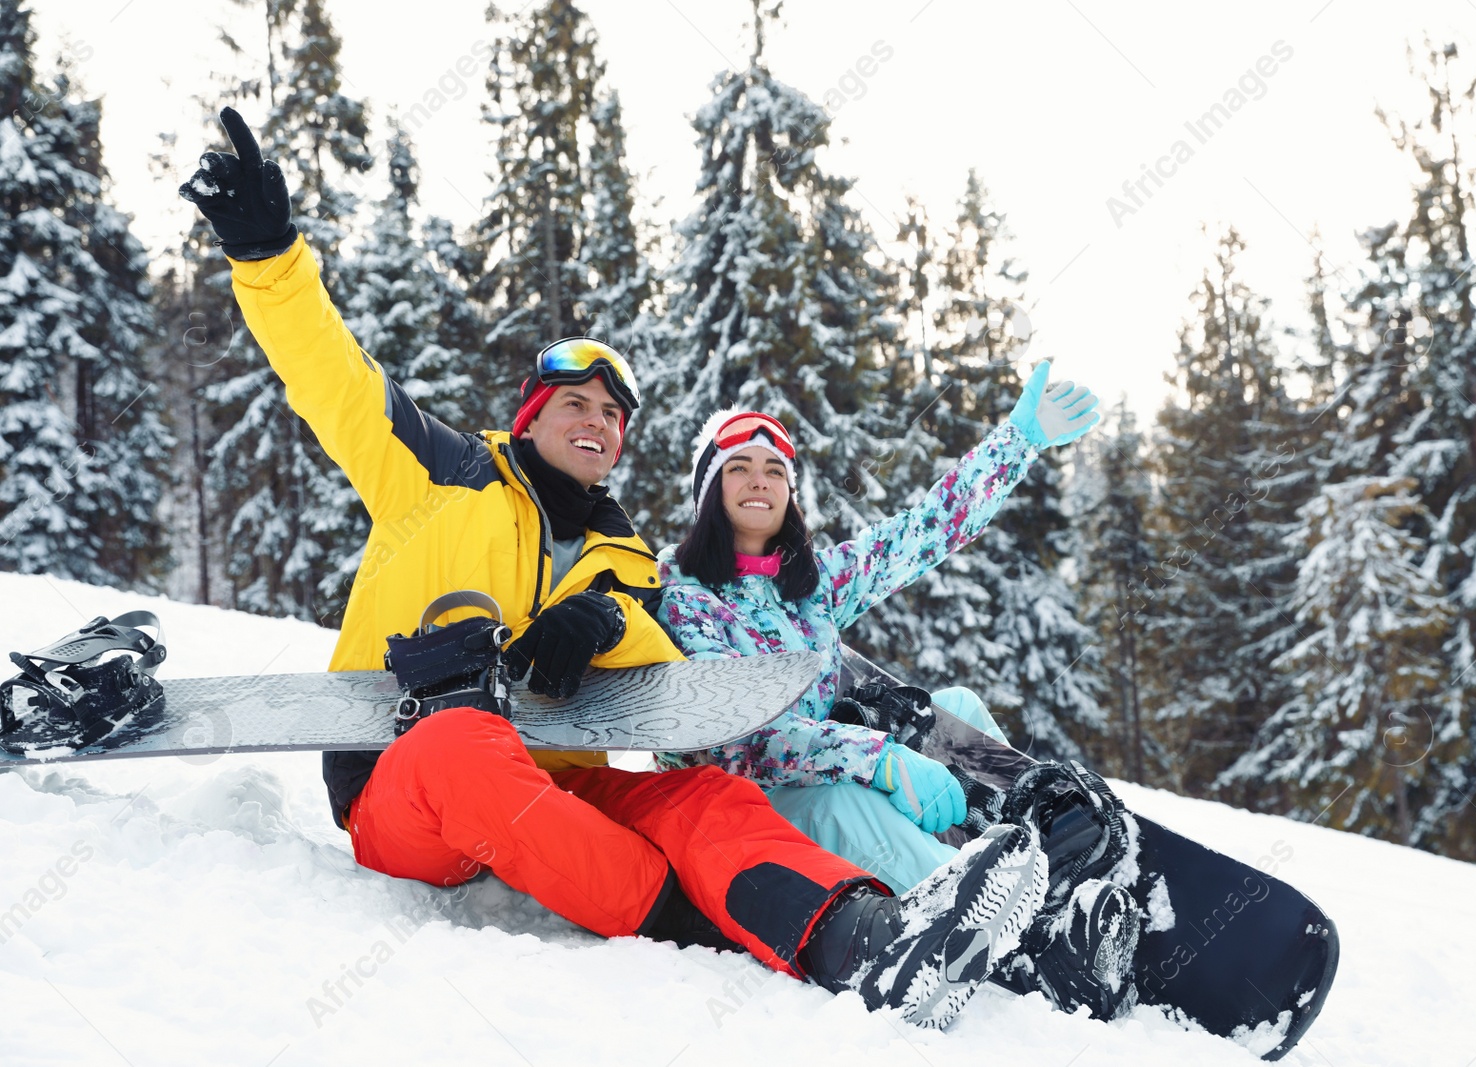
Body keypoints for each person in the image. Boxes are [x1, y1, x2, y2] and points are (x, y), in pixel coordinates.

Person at [177, 107, 1050, 1030]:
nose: (596, 420)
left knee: (704, 795)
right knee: (459, 745)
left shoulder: (624, 557)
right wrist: (267, 253)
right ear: (531, 414)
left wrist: (598, 625)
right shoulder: (437, 471)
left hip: (558, 784)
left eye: (613, 414)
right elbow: (331, 375)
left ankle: (864, 941)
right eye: (576, 402)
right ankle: (693, 916)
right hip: (409, 781)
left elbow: (655, 667)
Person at [653, 388, 1142, 1018]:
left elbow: (924, 531)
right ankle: (1021, 947)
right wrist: (879, 759)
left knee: (956, 708)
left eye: (776, 471)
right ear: (708, 493)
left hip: (828, 766)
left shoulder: (812, 586)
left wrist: (1016, 442)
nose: (760, 481)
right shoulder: (684, 596)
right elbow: (735, 740)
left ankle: (1031, 864)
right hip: (748, 809)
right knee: (844, 795)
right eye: (739, 468)